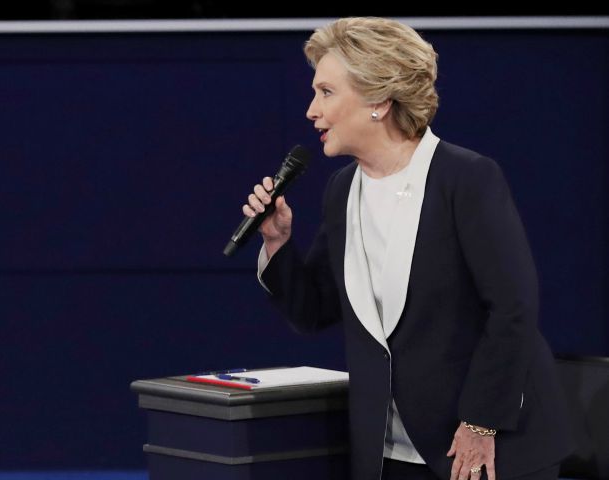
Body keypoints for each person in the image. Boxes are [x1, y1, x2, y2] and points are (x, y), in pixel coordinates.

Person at [243, 17, 573, 480]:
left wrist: (482, 423)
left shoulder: (466, 179)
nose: (311, 111)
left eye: (326, 93)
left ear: (378, 99)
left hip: (483, 446)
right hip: (389, 448)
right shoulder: (342, 191)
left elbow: (512, 309)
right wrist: (277, 243)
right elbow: (313, 310)